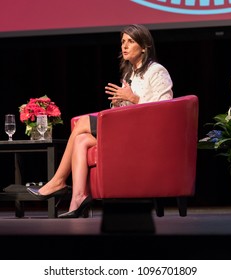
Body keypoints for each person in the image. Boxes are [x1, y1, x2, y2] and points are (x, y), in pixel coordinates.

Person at [27, 24, 173, 218]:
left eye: (130, 41)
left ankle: (58, 182)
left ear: (145, 46)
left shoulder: (157, 71)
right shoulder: (129, 74)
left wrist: (134, 99)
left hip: (145, 136)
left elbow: (166, 109)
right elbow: (127, 111)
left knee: (82, 125)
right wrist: (119, 104)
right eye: (122, 42)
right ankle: (77, 199)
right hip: (127, 131)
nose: (124, 46)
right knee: (81, 140)